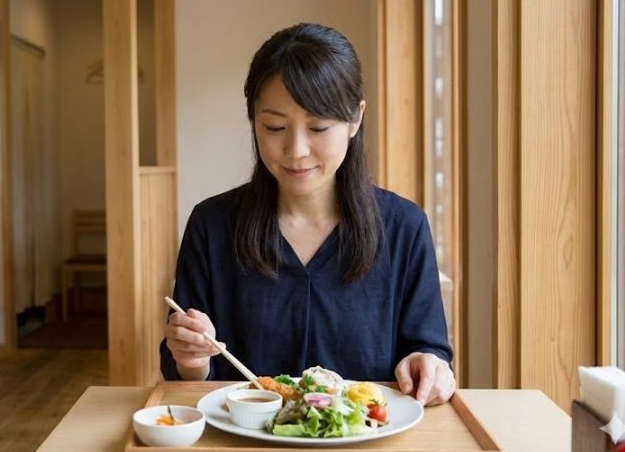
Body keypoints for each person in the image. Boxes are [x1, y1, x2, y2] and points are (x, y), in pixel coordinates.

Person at [160, 23, 455, 406]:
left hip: (370, 434)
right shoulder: (211, 226)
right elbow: (183, 372)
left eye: (318, 127)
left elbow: (428, 349)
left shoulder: (404, 228)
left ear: (355, 119)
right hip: (237, 435)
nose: (296, 150)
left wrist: (428, 365)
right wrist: (192, 359)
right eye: (275, 127)